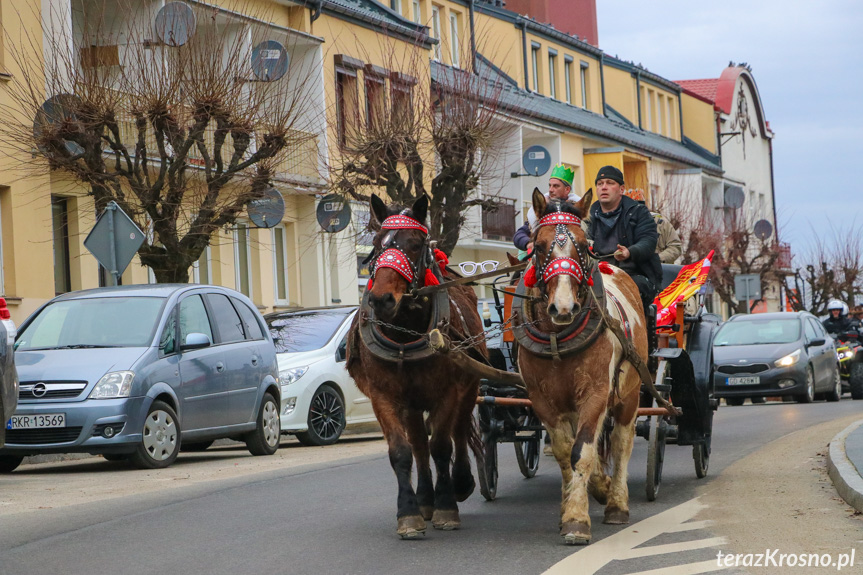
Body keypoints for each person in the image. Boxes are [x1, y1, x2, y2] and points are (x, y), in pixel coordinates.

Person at [587, 166, 662, 313]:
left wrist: (630, 252)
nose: (604, 187)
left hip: (632, 275)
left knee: (634, 289)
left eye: (609, 183)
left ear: (621, 189)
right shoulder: (587, 216)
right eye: (600, 183)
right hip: (597, 275)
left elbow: (649, 240)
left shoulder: (639, 212)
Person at [513, 164, 580, 258]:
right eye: (550, 185)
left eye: (556, 186)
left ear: (567, 189)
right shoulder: (542, 209)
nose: (551, 190)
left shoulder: (577, 211)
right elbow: (519, 235)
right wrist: (528, 243)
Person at [622, 189, 682, 264]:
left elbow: (675, 247)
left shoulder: (661, 223)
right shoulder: (619, 225)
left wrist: (657, 259)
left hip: (658, 270)